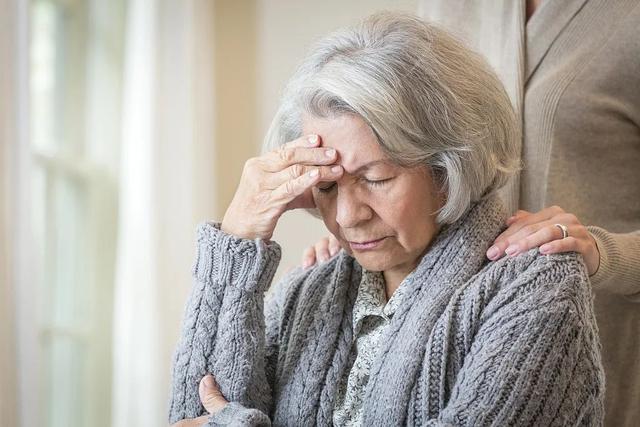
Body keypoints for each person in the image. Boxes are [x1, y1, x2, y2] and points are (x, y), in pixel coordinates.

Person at [168, 13, 605, 426]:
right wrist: (238, 237)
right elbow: (194, 411)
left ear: (448, 168)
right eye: (326, 186)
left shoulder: (538, 289)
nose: (347, 216)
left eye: (375, 179)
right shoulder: (307, 292)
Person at [304, 2, 640, 425]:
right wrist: (361, 227)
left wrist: (604, 253)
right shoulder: (448, 9)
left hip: (591, 346)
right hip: (453, 328)